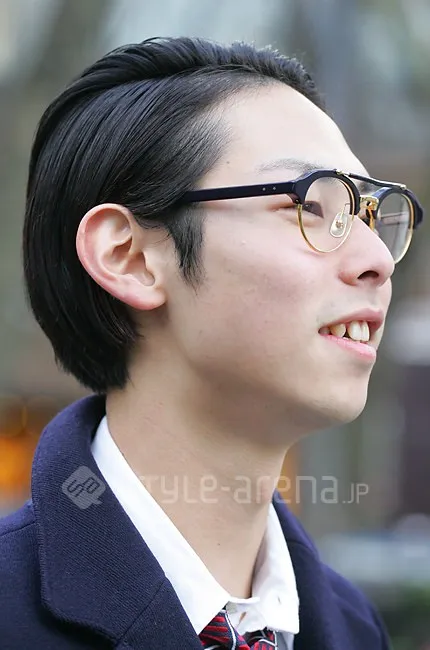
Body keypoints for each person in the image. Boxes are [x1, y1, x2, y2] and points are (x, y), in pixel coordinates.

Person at [0, 36, 424, 650]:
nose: (377, 260)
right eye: (311, 205)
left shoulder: (352, 627)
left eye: (370, 216)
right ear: (129, 257)